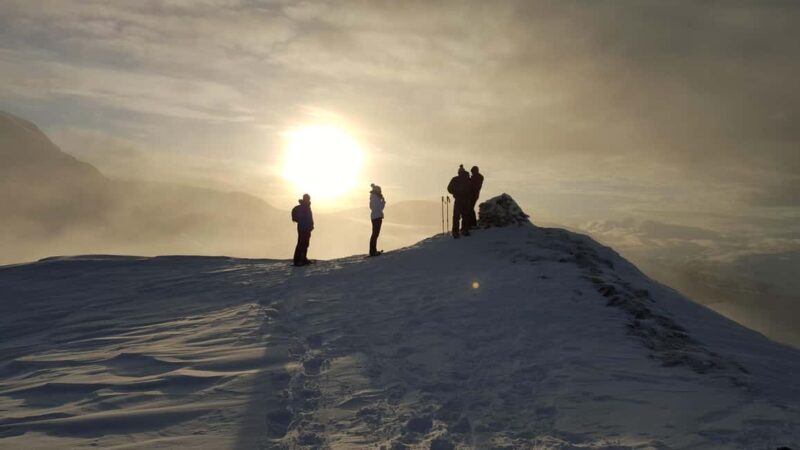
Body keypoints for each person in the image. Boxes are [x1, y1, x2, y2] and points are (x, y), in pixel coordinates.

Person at [446, 164, 472, 238]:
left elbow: (449, 188)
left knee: (456, 216)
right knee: (465, 216)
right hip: (466, 200)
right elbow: (472, 189)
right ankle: (464, 230)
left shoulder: (455, 179)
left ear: (459, 172)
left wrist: (455, 192)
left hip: (458, 199)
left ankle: (455, 232)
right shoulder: (468, 179)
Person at [291, 193, 314, 266]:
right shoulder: (303, 208)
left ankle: (303, 258)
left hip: (306, 228)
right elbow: (304, 218)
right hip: (303, 228)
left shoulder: (306, 207)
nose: (308, 200)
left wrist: (311, 226)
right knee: (301, 244)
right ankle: (298, 260)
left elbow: (309, 218)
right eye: (307, 198)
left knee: (305, 244)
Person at [368, 183, 385, 256]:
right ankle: (373, 251)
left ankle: (373, 250)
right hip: (377, 217)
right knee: (375, 234)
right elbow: (380, 207)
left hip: (374, 217)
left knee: (374, 234)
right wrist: (383, 202)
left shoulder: (373, 197)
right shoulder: (376, 197)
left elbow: (372, 207)